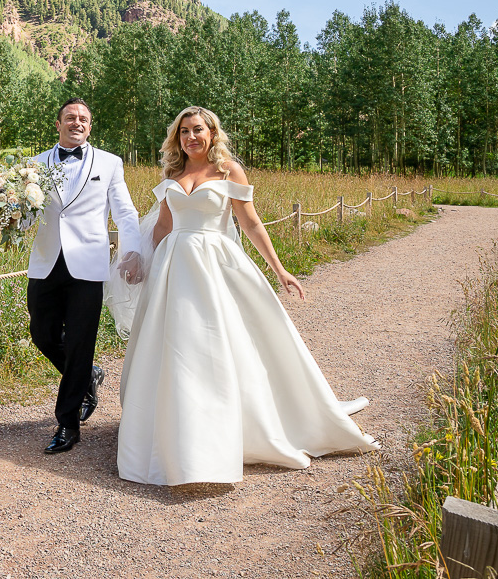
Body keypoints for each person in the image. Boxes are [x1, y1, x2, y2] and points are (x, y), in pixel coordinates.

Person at [111, 106, 377, 485]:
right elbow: (164, 226)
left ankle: (242, 427)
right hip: (173, 269)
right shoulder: (172, 173)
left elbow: (249, 222)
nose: (191, 137)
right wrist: (142, 263)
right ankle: (175, 430)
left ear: (212, 133)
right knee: (177, 348)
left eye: (198, 130)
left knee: (219, 344)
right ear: (177, 138)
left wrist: (280, 269)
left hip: (216, 264)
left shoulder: (227, 170)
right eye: (184, 131)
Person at [27, 98, 144, 454]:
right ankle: (87, 374)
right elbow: (29, 213)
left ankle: (68, 424)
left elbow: (124, 210)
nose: (77, 123)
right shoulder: (33, 165)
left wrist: (132, 250)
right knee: (42, 334)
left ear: (90, 126)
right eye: (70, 118)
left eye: (83, 119)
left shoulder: (110, 163)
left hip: (89, 266)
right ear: (58, 124)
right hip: (46, 262)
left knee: (80, 340)